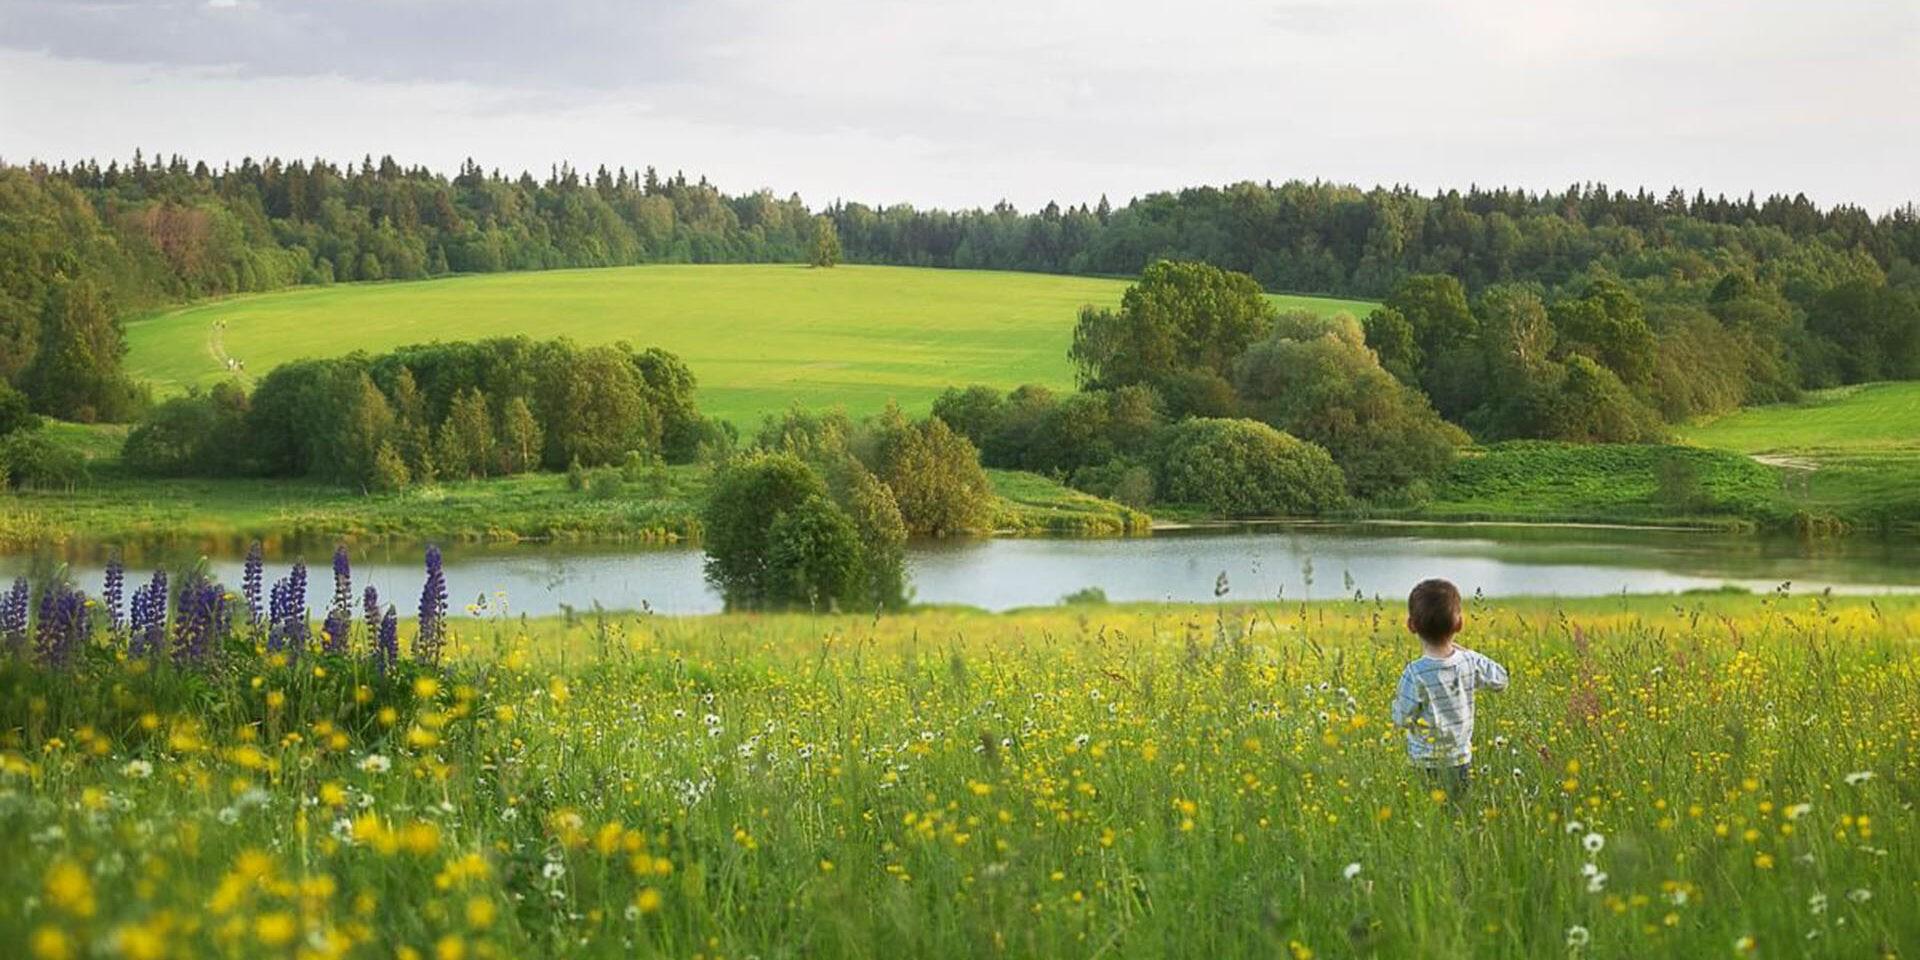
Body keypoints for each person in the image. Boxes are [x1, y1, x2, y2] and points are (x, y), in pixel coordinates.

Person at [1390, 578, 1507, 804]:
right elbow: (1501, 679)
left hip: (1424, 763)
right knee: (1458, 812)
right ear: (1459, 624)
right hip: (1460, 761)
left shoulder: (1414, 673)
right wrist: (1468, 653)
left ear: (1411, 625)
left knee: (1429, 815)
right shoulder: (1469, 662)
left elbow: (1402, 719)